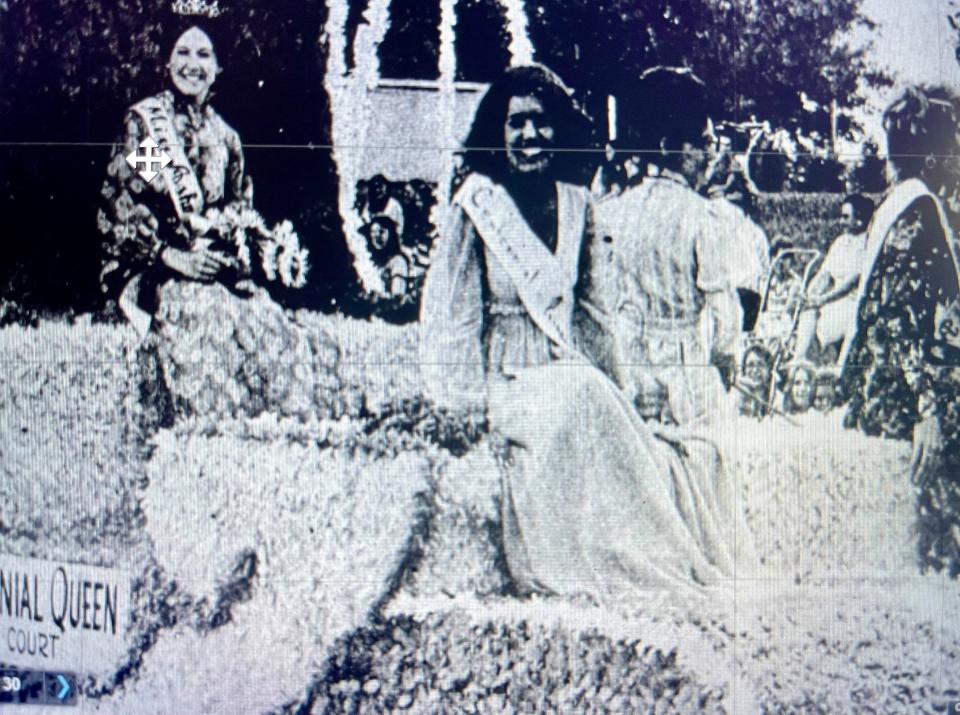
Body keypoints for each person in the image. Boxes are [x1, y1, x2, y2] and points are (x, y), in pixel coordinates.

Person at [420, 65, 754, 605]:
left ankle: (652, 558)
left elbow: (596, 318)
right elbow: (451, 320)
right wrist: (459, 408)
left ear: (561, 131)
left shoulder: (578, 204)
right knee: (579, 394)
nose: (530, 135)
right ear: (497, 133)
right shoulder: (477, 206)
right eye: (517, 124)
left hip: (568, 377)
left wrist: (622, 396)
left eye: (542, 123)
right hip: (504, 384)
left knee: (608, 413)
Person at [593, 68, 766, 423]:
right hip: (686, 378)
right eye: (703, 143)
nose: (710, 154)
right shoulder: (703, 217)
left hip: (627, 370)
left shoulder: (611, 212)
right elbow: (726, 315)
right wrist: (724, 360)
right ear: (668, 146)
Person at [839, 86, 960, 576]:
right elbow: (902, 319)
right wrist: (930, 410)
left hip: (885, 389)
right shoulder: (920, 210)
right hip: (909, 401)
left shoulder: (897, 204)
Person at [97, 11, 249, 333]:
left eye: (204, 54)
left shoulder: (227, 138)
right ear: (167, 61)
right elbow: (126, 205)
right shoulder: (148, 124)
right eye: (182, 52)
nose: (192, 64)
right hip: (152, 270)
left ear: (218, 67)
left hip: (206, 269)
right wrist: (174, 257)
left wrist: (223, 252)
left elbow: (237, 210)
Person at [793, 194, 875, 363]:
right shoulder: (840, 242)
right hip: (830, 300)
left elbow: (849, 284)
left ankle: (808, 361)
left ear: (859, 219)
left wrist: (821, 300)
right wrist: (810, 294)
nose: (841, 221)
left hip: (850, 303)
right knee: (807, 310)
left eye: (846, 217)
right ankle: (799, 360)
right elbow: (825, 273)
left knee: (820, 318)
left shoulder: (867, 245)